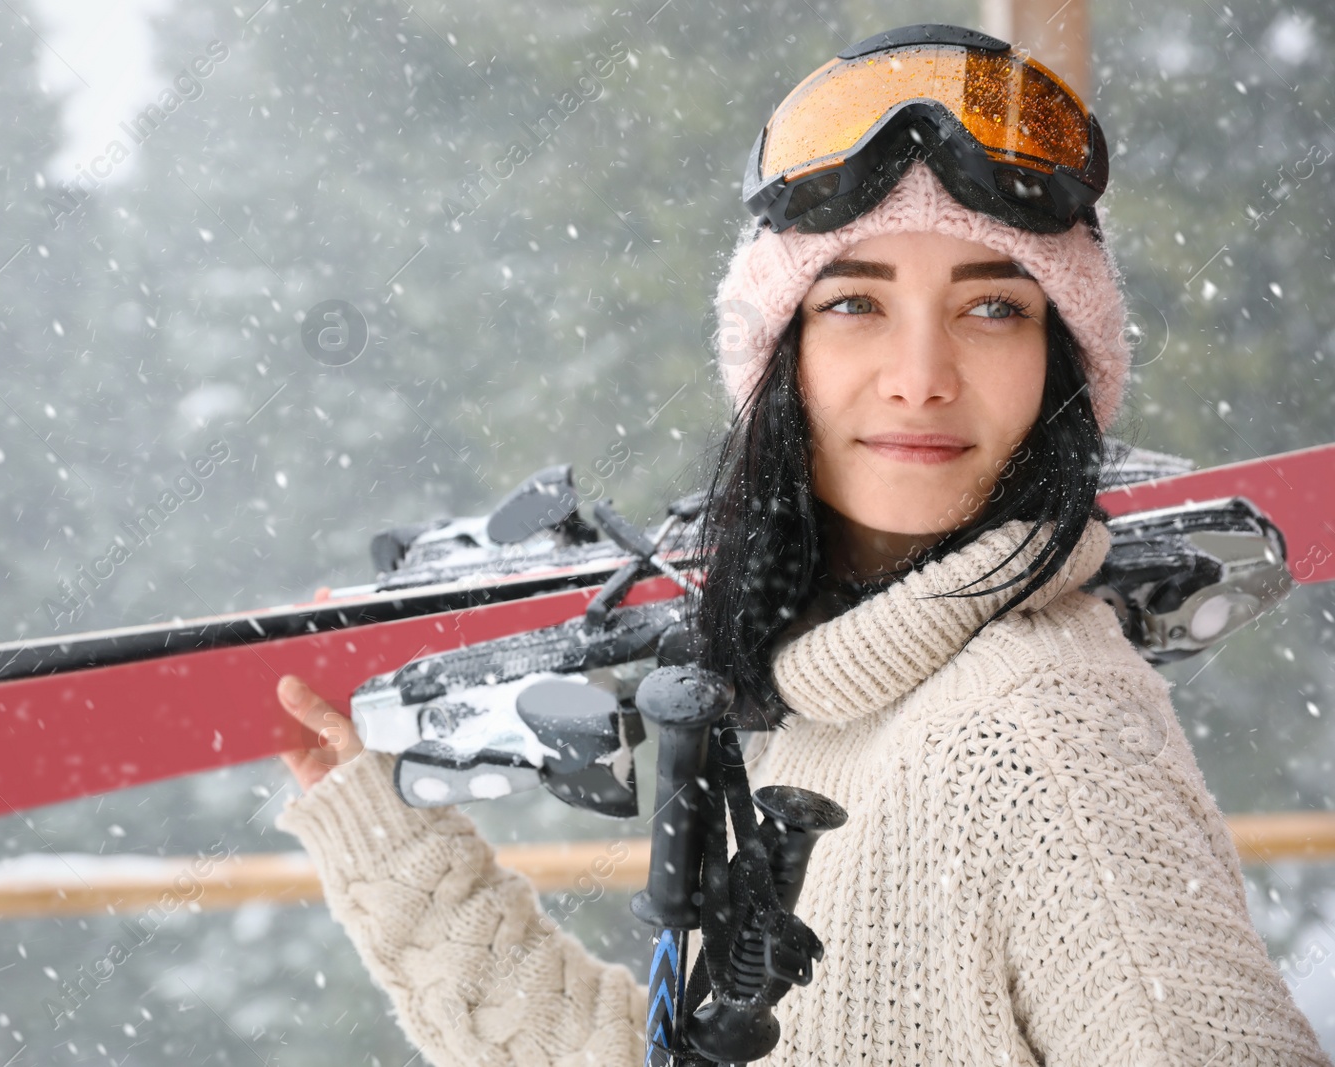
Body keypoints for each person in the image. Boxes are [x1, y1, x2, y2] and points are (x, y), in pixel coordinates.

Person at [271, 23, 1332, 1066]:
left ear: (1061, 364)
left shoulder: (1041, 730)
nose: (920, 373)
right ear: (782, 361)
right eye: (858, 302)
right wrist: (400, 863)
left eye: (994, 307)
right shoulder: (834, 696)